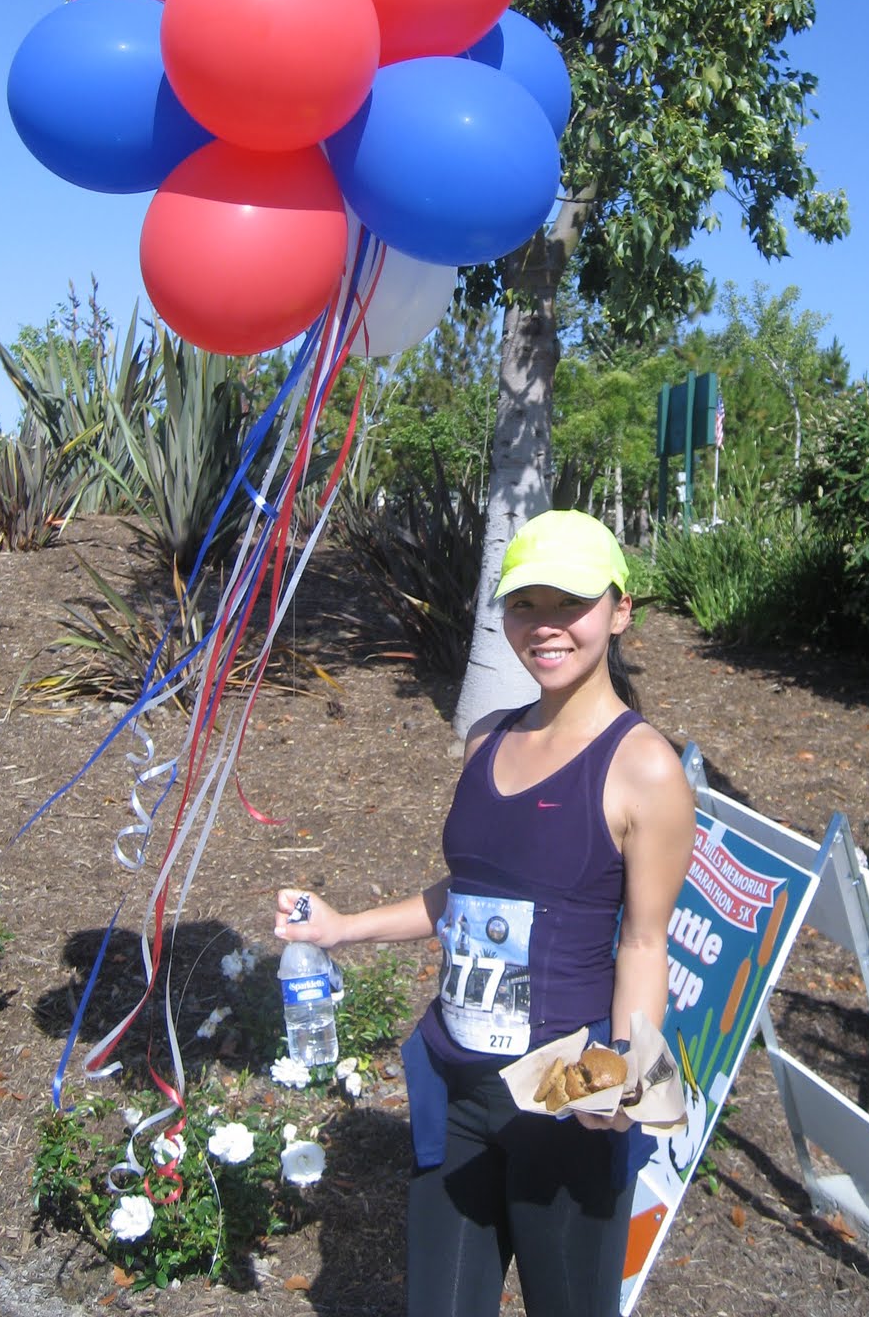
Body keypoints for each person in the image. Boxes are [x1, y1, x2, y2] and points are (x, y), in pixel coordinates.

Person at [274, 509, 696, 1317]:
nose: (545, 627)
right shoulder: (486, 738)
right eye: (525, 604)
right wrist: (341, 927)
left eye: (568, 603)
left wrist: (630, 1077)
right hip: (457, 1082)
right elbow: (464, 898)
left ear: (619, 610)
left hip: (563, 1099)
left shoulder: (644, 767)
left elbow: (644, 942)